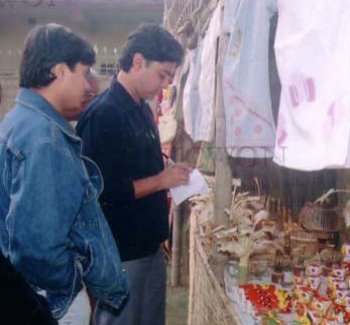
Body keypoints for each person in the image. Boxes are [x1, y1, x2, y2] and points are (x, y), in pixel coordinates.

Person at [0, 23, 128, 324]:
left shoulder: (19, 122)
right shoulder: (44, 139)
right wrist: (73, 281)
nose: (91, 86)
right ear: (59, 71)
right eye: (84, 72)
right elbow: (38, 249)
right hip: (51, 302)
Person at [77, 24, 191, 325]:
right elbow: (102, 192)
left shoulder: (140, 108)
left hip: (149, 246)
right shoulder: (104, 114)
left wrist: (168, 174)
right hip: (120, 252)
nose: (164, 84)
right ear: (138, 62)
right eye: (162, 75)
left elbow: (142, 170)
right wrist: (161, 181)